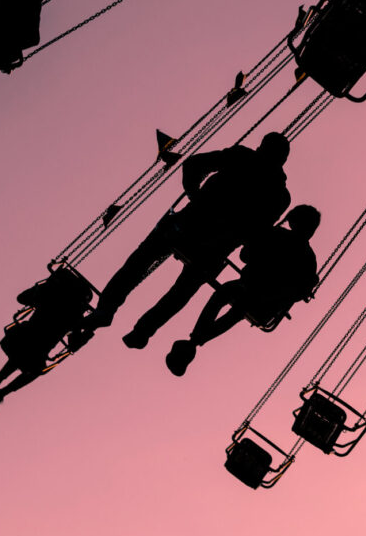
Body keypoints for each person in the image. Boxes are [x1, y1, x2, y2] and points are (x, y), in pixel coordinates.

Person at [70, 132, 292, 350]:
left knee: (140, 262)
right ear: (282, 160)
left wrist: (194, 194)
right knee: (181, 290)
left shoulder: (242, 157)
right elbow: (257, 232)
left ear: (261, 147)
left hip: (190, 223)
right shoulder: (279, 195)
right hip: (215, 246)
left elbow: (194, 164)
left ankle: (107, 310)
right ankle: (143, 330)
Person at [164, 204, 320, 376]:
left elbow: (245, 255)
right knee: (236, 308)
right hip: (266, 302)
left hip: (253, 289)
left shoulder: (277, 235)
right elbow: (298, 291)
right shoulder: (309, 259)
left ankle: (194, 341)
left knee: (223, 296)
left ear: (293, 221)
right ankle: (195, 341)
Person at [0, 270, 93, 414]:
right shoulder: (74, 311)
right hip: (36, 343)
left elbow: (22, 298)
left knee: (26, 356)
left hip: (30, 338)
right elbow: (74, 343)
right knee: (30, 360)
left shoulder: (51, 296)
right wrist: (86, 334)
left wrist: (40, 289)